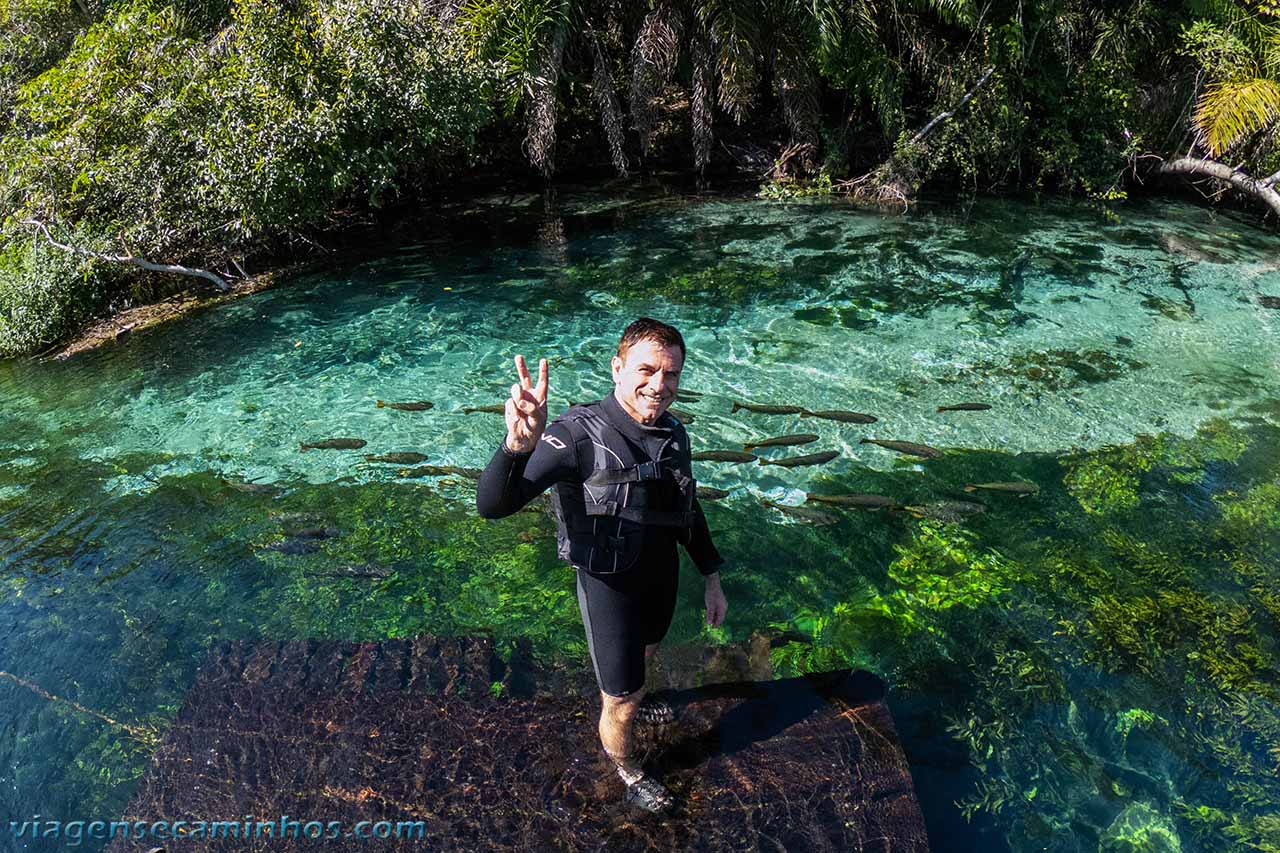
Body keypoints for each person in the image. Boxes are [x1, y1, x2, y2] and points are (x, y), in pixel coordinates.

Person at [476, 317, 728, 814]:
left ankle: (633, 695)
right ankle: (628, 769)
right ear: (617, 367)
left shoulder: (674, 433)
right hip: (608, 586)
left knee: (646, 659)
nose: (659, 385)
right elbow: (493, 506)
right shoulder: (574, 435)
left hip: (660, 578)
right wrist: (516, 447)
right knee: (621, 699)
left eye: (671, 374)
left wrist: (711, 577)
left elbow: (687, 509)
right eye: (647, 369)